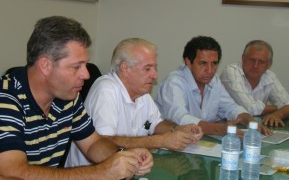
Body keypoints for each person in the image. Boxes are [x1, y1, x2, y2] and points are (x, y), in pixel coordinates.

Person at [0, 16, 153, 180]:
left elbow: (93, 144)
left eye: (85, 65)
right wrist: (101, 172)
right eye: (76, 67)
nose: (86, 74)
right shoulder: (6, 99)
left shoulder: (67, 97)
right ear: (45, 65)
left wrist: (123, 156)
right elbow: (11, 173)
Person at [65, 38, 203, 167]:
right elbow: (103, 142)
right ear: (125, 68)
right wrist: (161, 141)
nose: (155, 75)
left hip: (128, 169)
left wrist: (177, 129)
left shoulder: (141, 91)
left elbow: (156, 124)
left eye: (155, 68)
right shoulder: (106, 89)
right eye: (148, 68)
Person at [155, 36, 269, 136]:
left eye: (214, 63)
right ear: (188, 62)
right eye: (203, 63)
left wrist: (250, 121)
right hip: (169, 145)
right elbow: (179, 118)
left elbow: (231, 108)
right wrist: (219, 129)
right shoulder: (174, 82)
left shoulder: (213, 80)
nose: (209, 70)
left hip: (199, 142)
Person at [220, 40, 289, 127]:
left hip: (254, 127)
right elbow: (249, 108)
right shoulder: (231, 72)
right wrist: (280, 107)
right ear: (243, 58)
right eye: (252, 60)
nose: (255, 66)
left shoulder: (269, 76)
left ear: (269, 64)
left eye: (261, 62)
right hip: (225, 126)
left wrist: (278, 114)